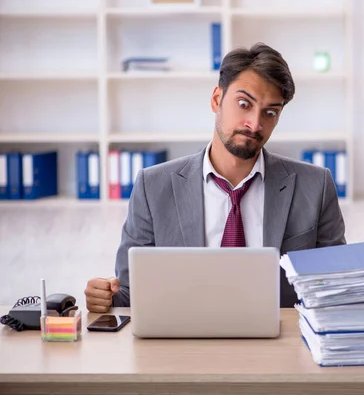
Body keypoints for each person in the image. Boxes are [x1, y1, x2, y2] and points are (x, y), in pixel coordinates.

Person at [85, 43, 346, 312]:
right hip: (186, 344)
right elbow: (131, 292)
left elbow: (335, 288)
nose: (255, 124)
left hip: (279, 346)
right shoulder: (152, 187)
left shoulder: (316, 186)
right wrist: (106, 296)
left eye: (270, 112)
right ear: (216, 99)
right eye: (244, 104)